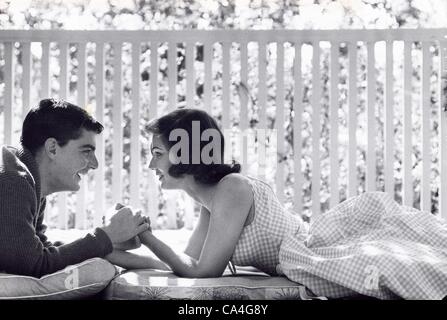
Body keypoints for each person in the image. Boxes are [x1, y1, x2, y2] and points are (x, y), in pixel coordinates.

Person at [107, 108, 447, 300]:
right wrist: (109, 249)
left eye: (157, 154)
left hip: (320, 250)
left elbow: (203, 272)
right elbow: (187, 263)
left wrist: (146, 233)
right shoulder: (210, 201)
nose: (151, 165)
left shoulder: (232, 189)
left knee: (412, 270)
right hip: (305, 255)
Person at [0, 98, 150, 277]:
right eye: (86, 151)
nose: (94, 164)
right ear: (53, 148)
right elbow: (32, 264)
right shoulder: (13, 180)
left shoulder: (27, 179)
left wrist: (110, 240)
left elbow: (40, 250)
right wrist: (105, 236)